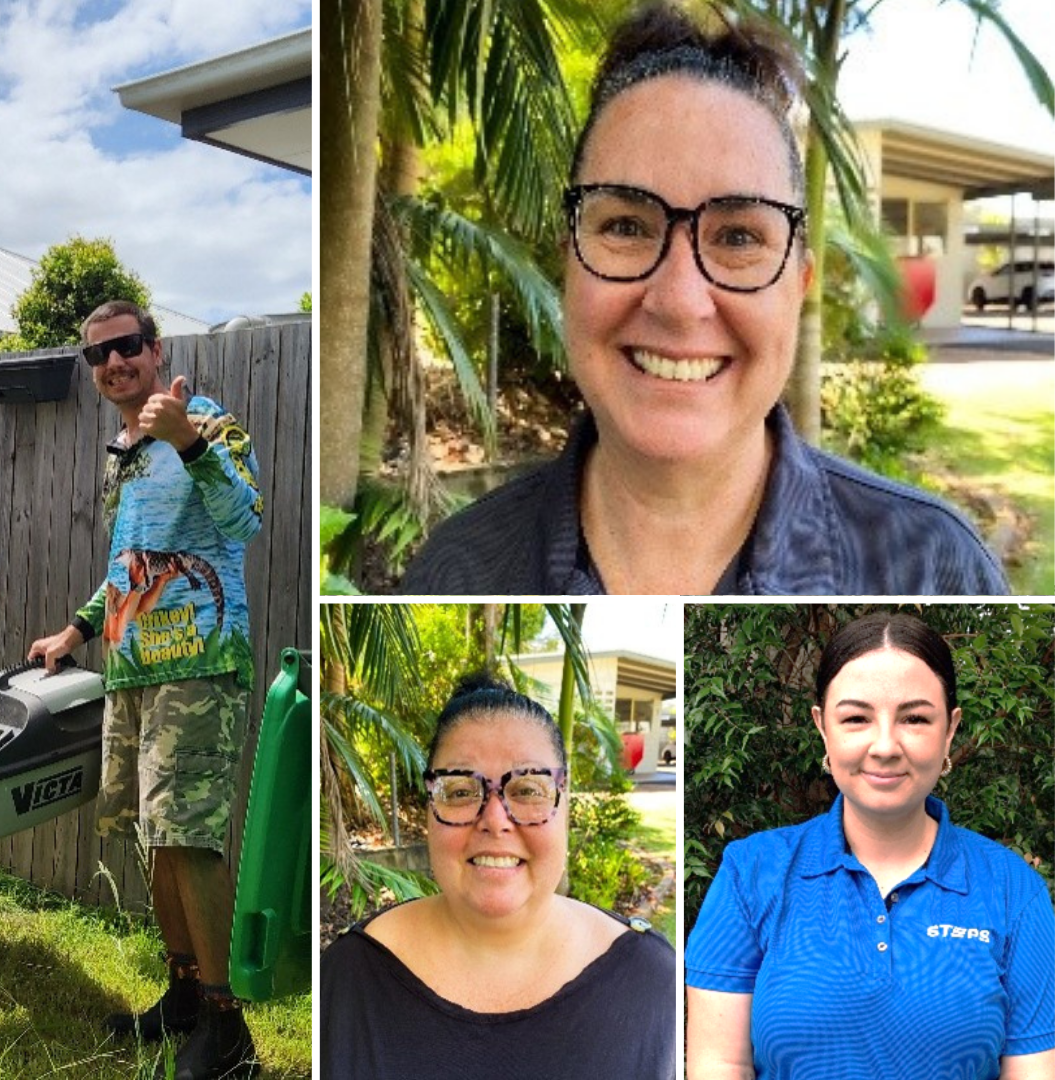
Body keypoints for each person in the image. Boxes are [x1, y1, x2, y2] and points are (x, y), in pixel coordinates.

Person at [401, 3, 1006, 595]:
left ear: (800, 284)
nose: (680, 300)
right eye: (627, 227)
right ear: (568, 263)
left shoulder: (934, 568)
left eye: (739, 236)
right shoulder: (457, 568)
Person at [29, 299, 263, 1080]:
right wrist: (76, 630)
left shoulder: (209, 424)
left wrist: (187, 440)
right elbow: (128, 565)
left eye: (126, 347)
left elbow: (246, 518)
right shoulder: (120, 451)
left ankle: (230, 1032)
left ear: (156, 350)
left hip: (198, 663)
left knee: (190, 837)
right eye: (97, 355)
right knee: (151, 834)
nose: (113, 364)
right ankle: (186, 994)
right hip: (133, 670)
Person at [686, 612, 1055, 1079]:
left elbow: (1033, 1069)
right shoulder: (750, 874)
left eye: (915, 718)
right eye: (857, 718)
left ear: (951, 730)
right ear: (823, 727)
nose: (884, 745)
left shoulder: (1013, 891)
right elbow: (719, 1064)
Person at [320, 675, 677, 1079]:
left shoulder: (650, 983)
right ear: (428, 810)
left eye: (527, 790)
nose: (494, 820)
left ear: (566, 807)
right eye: (460, 791)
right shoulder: (346, 982)